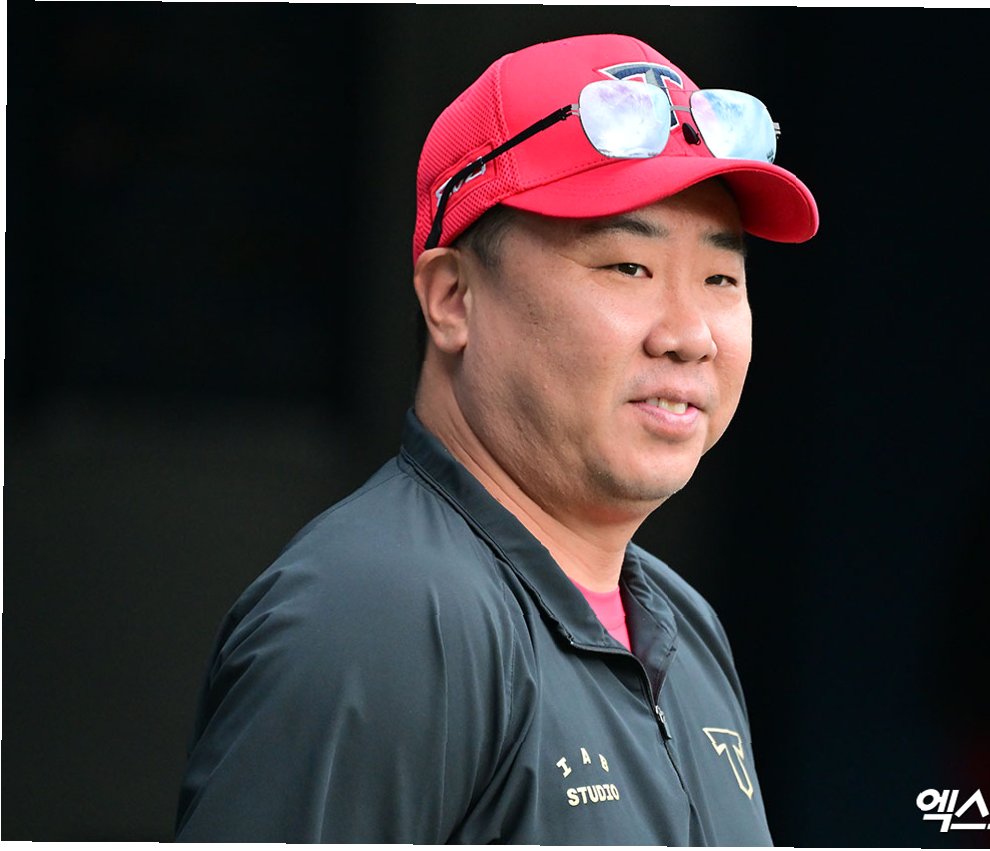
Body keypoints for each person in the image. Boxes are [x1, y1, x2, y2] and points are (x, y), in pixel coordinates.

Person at [174, 32, 818, 844]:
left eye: (721, 278)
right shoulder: (378, 615)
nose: (689, 335)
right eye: (628, 267)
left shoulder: (683, 628)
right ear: (452, 298)